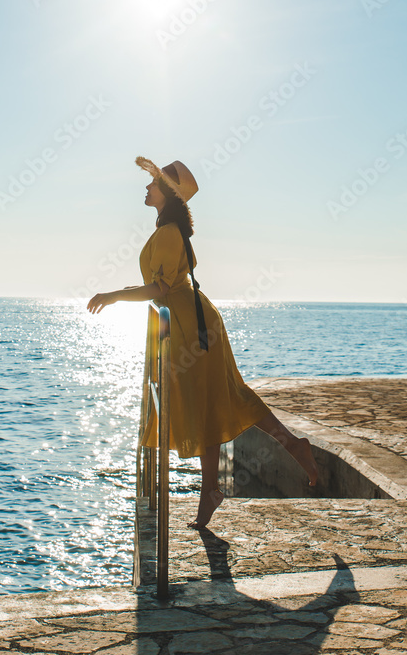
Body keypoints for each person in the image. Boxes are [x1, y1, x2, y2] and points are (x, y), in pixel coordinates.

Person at [87, 156, 318, 529]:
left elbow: (160, 288)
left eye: (153, 184)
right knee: (214, 403)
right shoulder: (171, 230)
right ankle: (224, 481)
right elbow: (166, 284)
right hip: (191, 320)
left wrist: (112, 296)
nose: (146, 188)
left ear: (167, 194)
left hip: (190, 326)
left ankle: (281, 450)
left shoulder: (169, 232)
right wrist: (116, 293)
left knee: (219, 400)